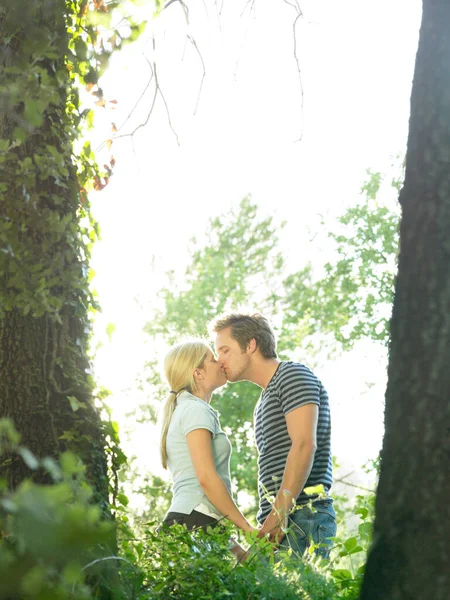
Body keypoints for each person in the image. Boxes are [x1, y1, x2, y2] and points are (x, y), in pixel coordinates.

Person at [212, 313, 336, 559]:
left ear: (250, 345)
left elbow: (304, 445)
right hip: (279, 520)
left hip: (303, 516)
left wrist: (280, 514)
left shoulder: (291, 374)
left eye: (225, 350)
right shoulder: (264, 399)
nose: (219, 360)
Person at [159, 339, 257, 559]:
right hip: (192, 522)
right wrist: (246, 528)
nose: (220, 362)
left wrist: (239, 552)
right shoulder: (195, 410)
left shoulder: (188, 408)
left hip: (195, 521)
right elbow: (206, 478)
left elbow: (205, 506)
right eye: (213, 359)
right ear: (198, 374)